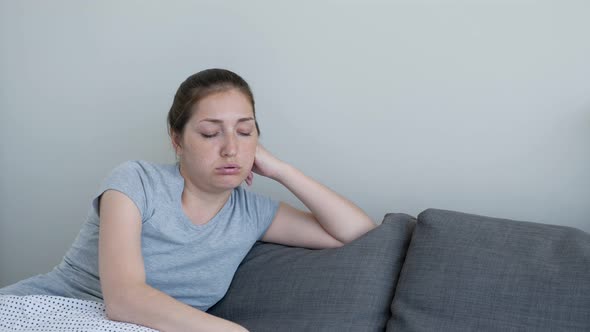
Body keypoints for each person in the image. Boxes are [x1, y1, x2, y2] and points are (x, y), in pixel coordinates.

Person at [0, 68, 377, 331]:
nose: (231, 148)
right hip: (49, 312)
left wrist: (281, 170)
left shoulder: (252, 214)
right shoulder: (135, 182)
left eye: (245, 132)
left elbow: (357, 232)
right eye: (211, 133)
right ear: (177, 140)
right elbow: (124, 300)